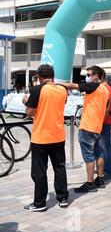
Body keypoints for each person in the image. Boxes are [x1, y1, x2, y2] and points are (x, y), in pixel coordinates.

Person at [22, 64, 69, 211]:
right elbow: (61, 103)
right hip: (58, 135)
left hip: (41, 137)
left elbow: (30, 112)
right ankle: (63, 198)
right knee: (60, 168)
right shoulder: (62, 89)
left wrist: (25, 102)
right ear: (52, 76)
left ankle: (40, 203)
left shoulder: (38, 89)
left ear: (39, 77)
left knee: (39, 171)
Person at [63, 66, 110, 193]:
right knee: (98, 153)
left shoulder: (93, 86)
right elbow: (106, 109)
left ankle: (90, 183)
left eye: (89, 74)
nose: (87, 77)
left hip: (88, 127)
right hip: (97, 127)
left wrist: (59, 84)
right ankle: (99, 179)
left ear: (96, 76)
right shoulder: (105, 90)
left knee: (89, 156)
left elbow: (74, 85)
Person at [100, 69, 111, 180]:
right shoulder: (104, 88)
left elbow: (107, 108)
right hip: (102, 121)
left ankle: (108, 170)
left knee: (105, 146)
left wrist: (101, 121)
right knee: (102, 146)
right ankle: (104, 168)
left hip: (104, 121)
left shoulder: (106, 88)